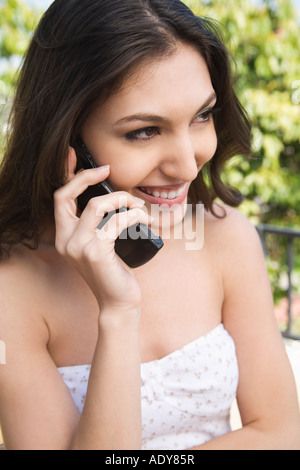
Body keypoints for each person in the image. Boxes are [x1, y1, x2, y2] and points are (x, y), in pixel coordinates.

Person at [0, 0, 299, 451]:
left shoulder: (225, 236)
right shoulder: (11, 289)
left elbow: (281, 432)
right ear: (68, 144)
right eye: (144, 131)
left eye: (202, 115)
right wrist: (118, 314)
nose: (187, 166)